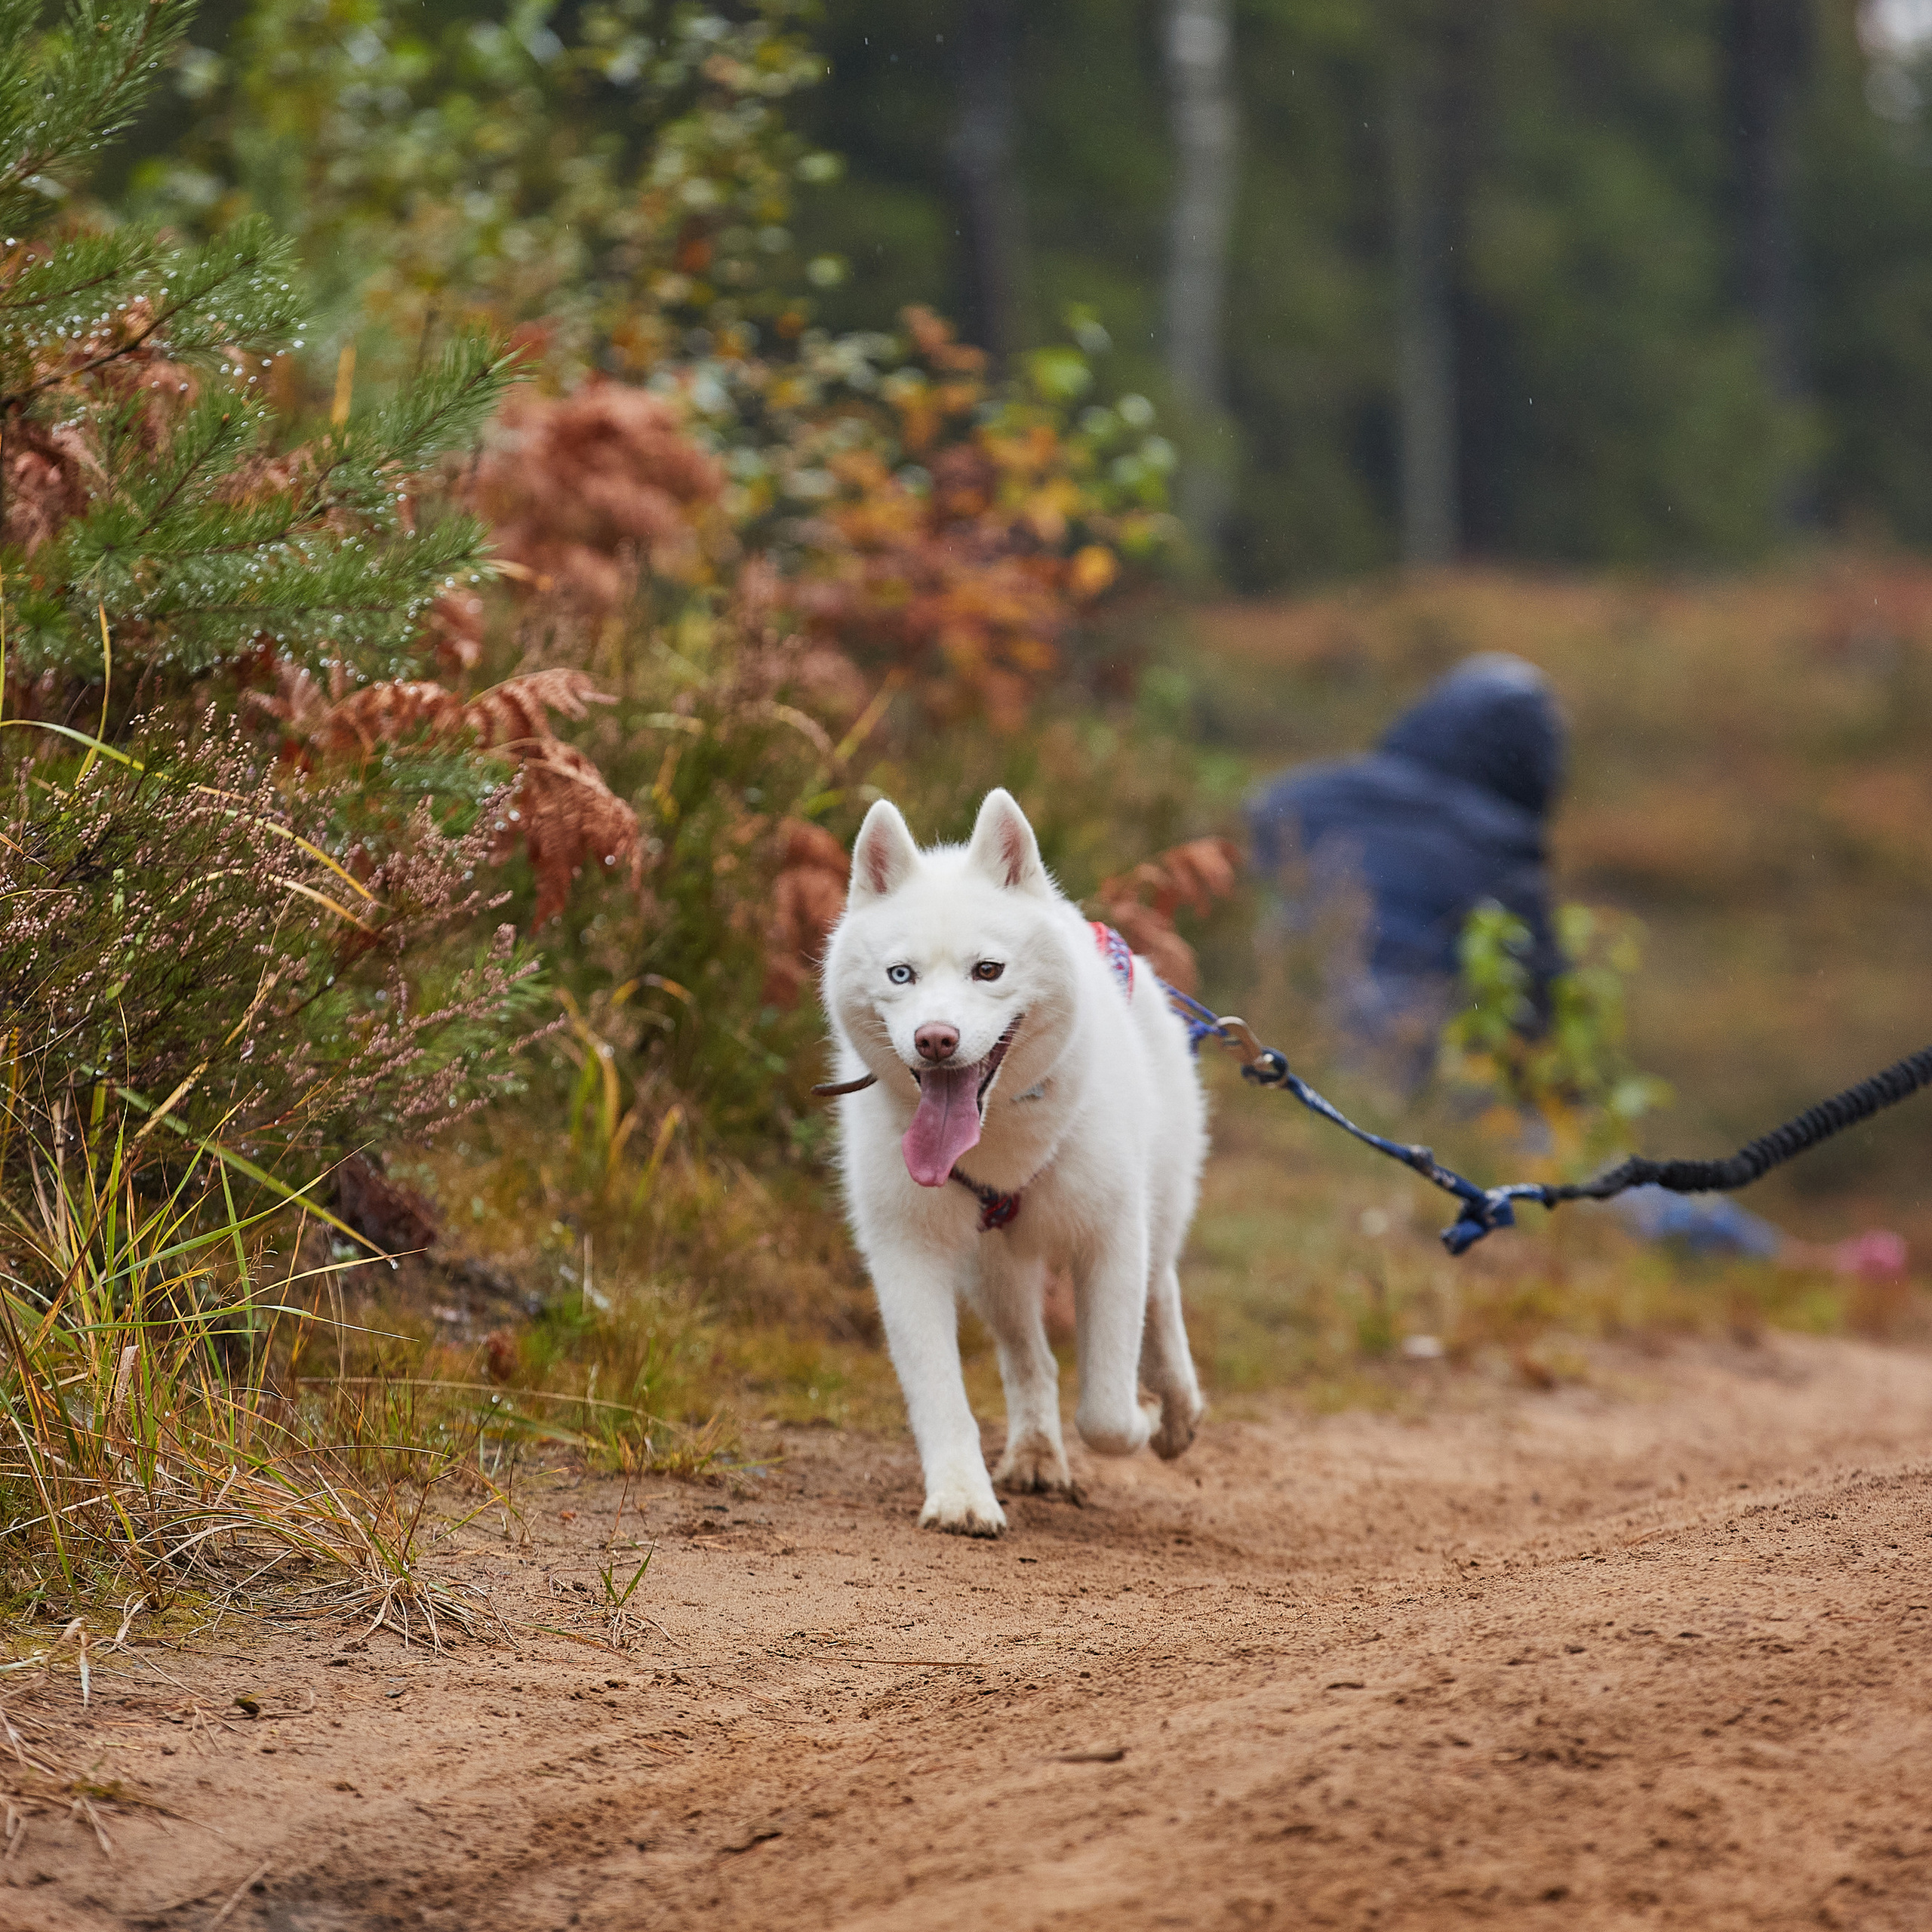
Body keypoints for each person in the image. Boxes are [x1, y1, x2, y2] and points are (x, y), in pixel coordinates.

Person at [1246, 653, 1905, 1278]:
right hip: (1410, 1083)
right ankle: (1784, 1264)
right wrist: (1573, 1109)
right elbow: (1541, 1021)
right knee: (1587, 1171)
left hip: (1262, 1059)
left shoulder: (1293, 795)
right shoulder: (1495, 850)